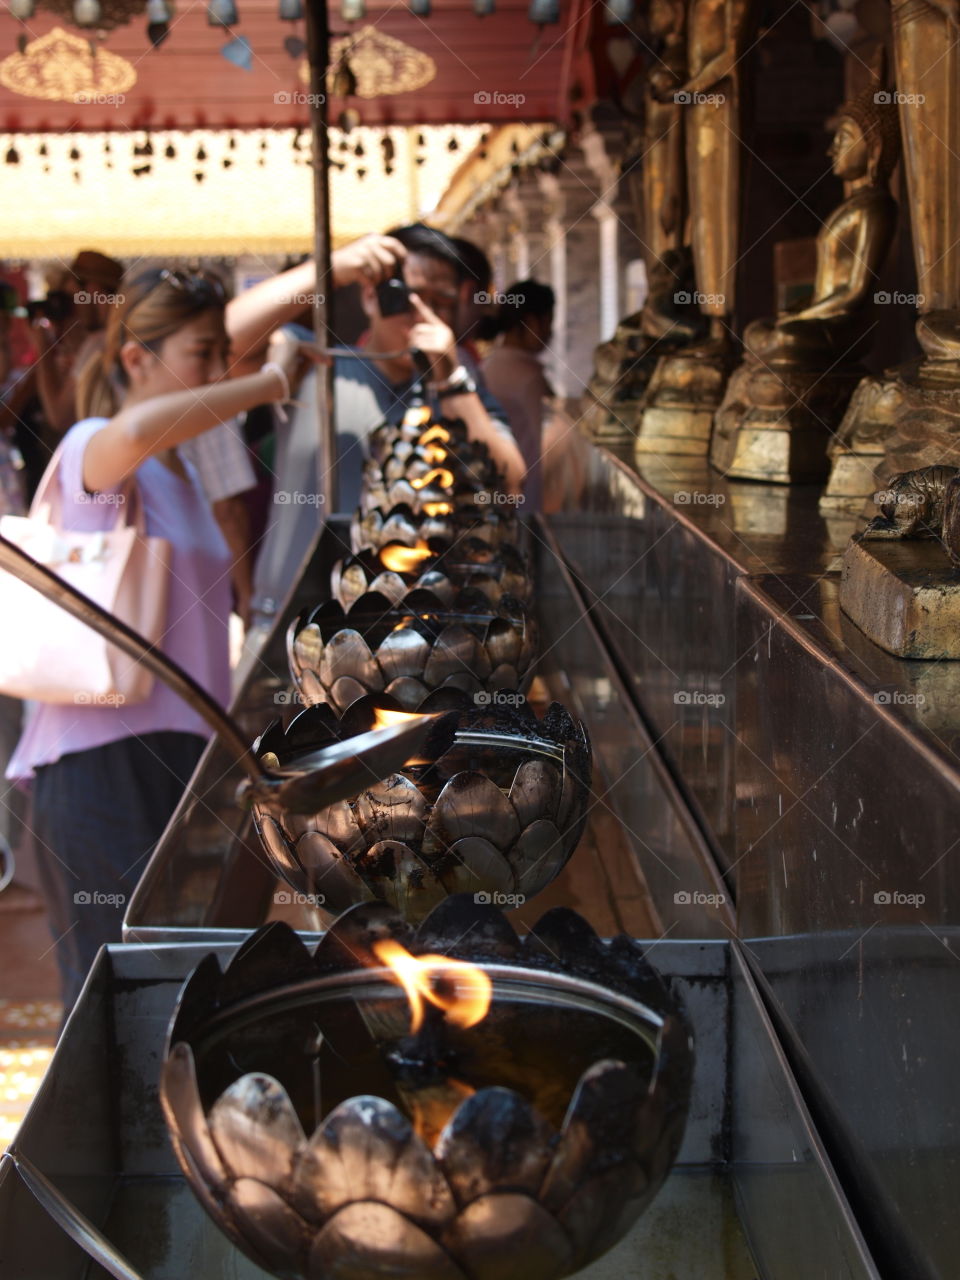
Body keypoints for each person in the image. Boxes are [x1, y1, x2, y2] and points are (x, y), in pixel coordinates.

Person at [5, 267, 314, 1012]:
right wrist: (273, 382)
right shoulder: (97, 449)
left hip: (185, 759)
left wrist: (334, 270)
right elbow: (142, 425)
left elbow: (192, 378)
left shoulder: (176, 469)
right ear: (137, 358)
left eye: (222, 355)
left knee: (178, 989)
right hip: (99, 763)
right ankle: (79, 1134)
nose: (219, 371)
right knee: (117, 997)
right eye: (203, 355)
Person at [481, 279, 555, 511]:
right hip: (527, 499)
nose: (550, 333)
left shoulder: (488, 365)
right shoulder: (529, 377)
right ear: (532, 322)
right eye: (548, 322)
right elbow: (551, 448)